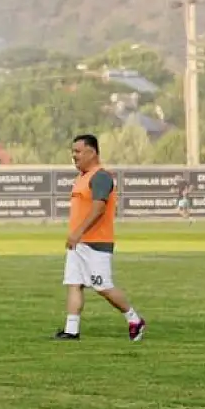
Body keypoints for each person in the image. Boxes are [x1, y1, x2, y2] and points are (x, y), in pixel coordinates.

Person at [57, 134, 145, 342]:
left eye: (78, 151)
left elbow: (99, 208)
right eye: (73, 152)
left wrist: (79, 231)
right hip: (78, 244)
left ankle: (134, 319)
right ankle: (71, 330)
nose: (74, 156)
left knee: (102, 286)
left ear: (92, 152)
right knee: (74, 283)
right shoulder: (81, 178)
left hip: (96, 243)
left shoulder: (101, 177)